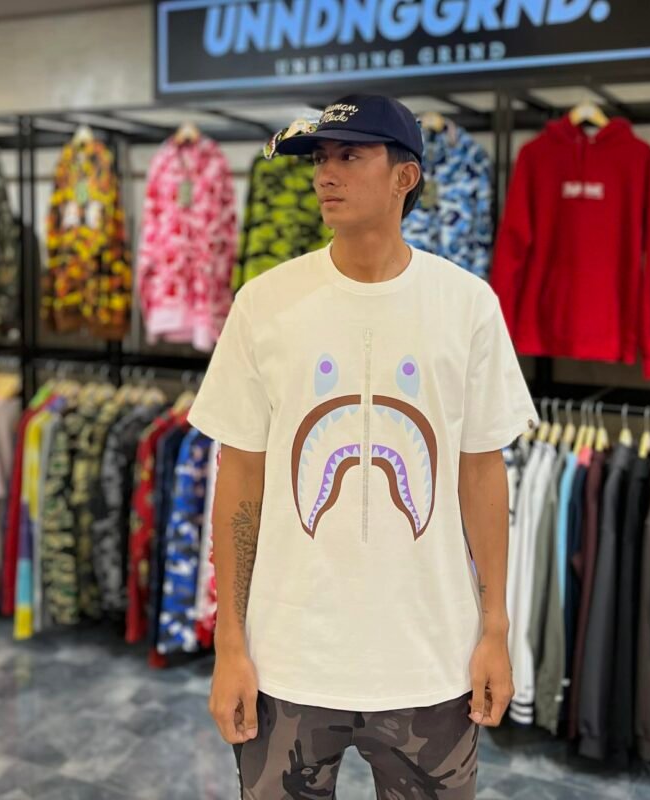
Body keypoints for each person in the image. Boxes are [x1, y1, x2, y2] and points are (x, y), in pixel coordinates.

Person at [187, 94, 537, 799]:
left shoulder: (467, 306)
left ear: (406, 176)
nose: (326, 174)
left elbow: (481, 474)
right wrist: (231, 645)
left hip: (430, 663)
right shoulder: (264, 304)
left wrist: (495, 631)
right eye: (321, 158)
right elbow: (240, 479)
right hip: (287, 662)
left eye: (350, 155)